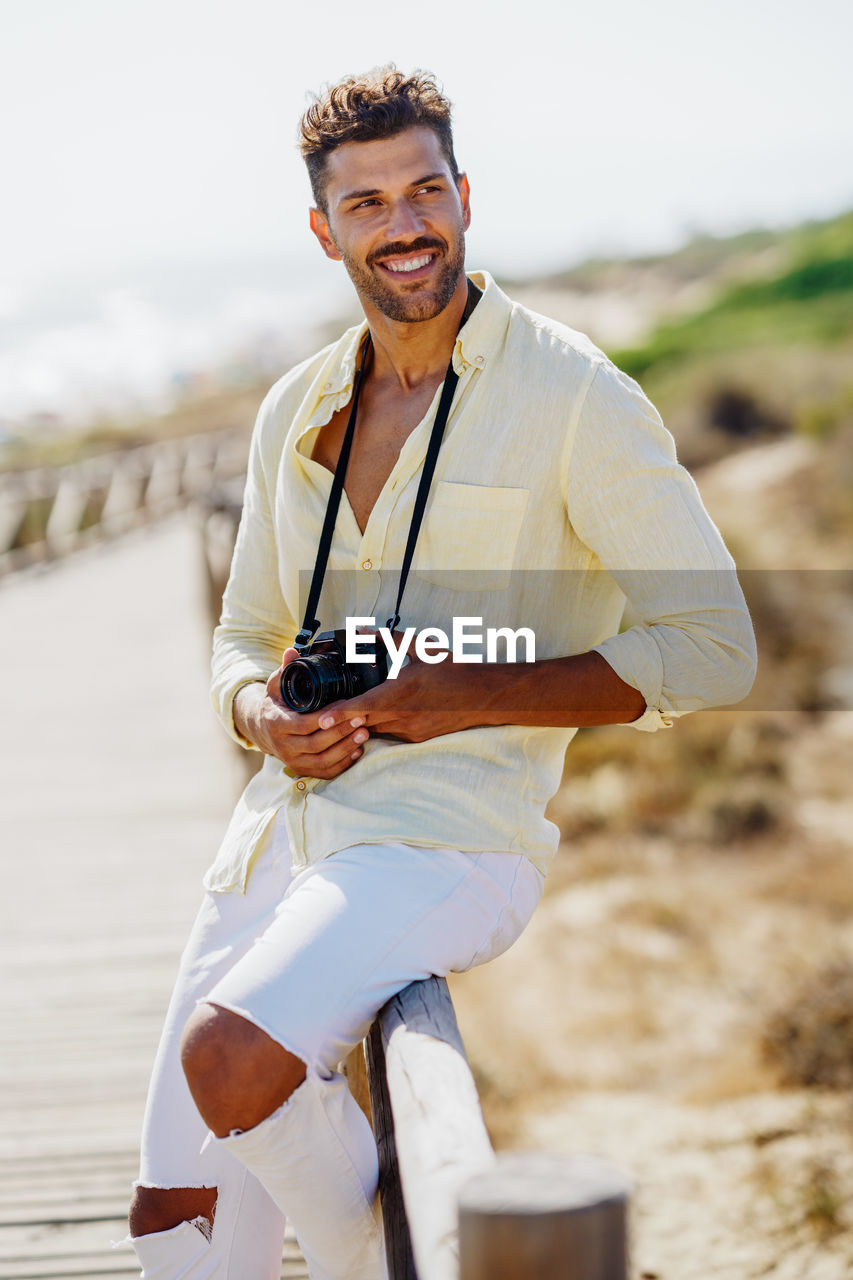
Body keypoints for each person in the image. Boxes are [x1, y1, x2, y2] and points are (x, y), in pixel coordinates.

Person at [126, 66, 756, 1280]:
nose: (403, 223)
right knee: (177, 1230)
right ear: (325, 231)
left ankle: (368, 1260)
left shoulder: (575, 395)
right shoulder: (295, 408)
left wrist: (460, 687)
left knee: (229, 1062)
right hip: (273, 840)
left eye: (424, 190)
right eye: (365, 204)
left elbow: (717, 648)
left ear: (464, 196)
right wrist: (262, 712)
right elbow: (243, 634)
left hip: (446, 838)